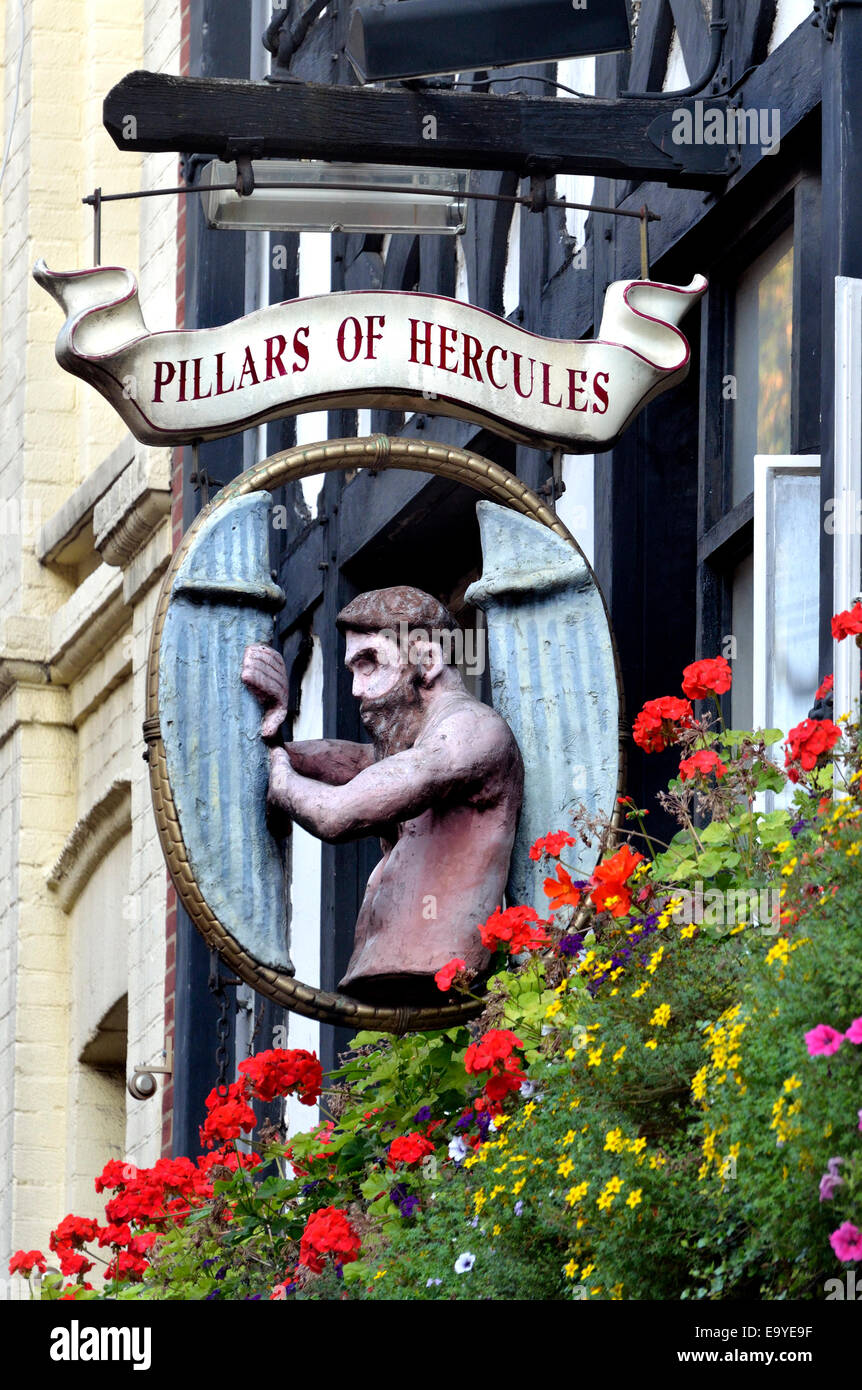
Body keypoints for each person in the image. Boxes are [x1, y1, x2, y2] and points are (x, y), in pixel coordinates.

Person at [241, 585, 523, 1004]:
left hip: (438, 969)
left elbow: (338, 813)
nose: (356, 689)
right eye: (352, 669)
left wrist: (279, 779)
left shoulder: (469, 732)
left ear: (427, 660)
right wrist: (272, 730)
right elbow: (355, 762)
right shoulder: (419, 744)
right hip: (393, 973)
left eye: (369, 663)